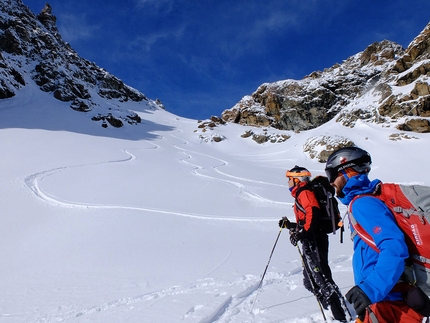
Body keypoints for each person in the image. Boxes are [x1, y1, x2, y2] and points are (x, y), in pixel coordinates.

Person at [324, 146, 424, 323]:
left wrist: (370, 289)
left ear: (346, 170)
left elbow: (394, 246)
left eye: (331, 174)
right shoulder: (368, 200)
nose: (330, 182)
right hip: (385, 300)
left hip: (389, 305)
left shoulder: (363, 204)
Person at [279, 166, 347, 322]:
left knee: (321, 278)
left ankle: (341, 316)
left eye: (289, 179)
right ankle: (332, 309)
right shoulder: (302, 193)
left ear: (297, 179)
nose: (288, 183)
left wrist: (303, 233)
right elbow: (306, 221)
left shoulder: (304, 192)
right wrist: (290, 226)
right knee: (310, 280)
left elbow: (314, 213)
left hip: (315, 240)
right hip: (312, 239)